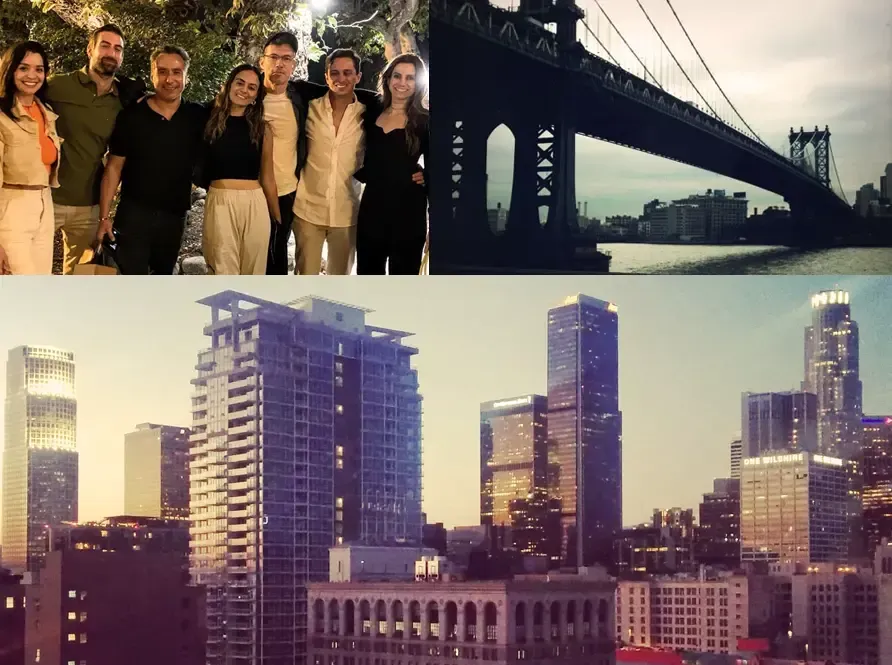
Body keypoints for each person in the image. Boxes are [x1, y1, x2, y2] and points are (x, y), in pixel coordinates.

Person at [97, 46, 209, 275]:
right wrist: (104, 217)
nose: (170, 79)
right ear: (152, 74)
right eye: (163, 71)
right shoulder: (131, 116)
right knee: (132, 282)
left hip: (174, 215)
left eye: (177, 72)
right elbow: (113, 168)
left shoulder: (197, 115)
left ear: (186, 76)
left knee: (163, 278)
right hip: (134, 215)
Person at [46, 23, 146, 274]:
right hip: (47, 199)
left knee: (79, 277)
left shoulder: (123, 101)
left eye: (118, 49)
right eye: (105, 45)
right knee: (31, 271)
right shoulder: (57, 86)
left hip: (89, 205)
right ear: (90, 49)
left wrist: (104, 214)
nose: (111, 53)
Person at [291, 48, 380, 275]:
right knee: (305, 279)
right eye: (335, 73)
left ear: (358, 77)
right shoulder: (309, 109)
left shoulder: (368, 113)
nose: (341, 78)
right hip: (307, 208)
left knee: (339, 283)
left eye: (348, 72)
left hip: (347, 210)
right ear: (326, 76)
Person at [199, 64, 281, 274]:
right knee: (222, 270)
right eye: (240, 83)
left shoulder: (263, 129)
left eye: (252, 87)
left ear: (256, 96)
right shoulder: (207, 119)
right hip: (220, 201)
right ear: (229, 84)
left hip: (255, 203)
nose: (244, 90)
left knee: (254, 271)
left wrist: (278, 219)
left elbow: (268, 177)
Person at [355, 53, 429, 275]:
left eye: (410, 78)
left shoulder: (425, 121)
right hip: (372, 207)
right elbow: (337, 90)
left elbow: (440, 168)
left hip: (408, 212)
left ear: (417, 84)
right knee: (368, 275)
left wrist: (427, 174)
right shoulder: (371, 109)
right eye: (397, 76)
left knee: (402, 282)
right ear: (387, 79)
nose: (402, 83)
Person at [0, 41, 62, 275]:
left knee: (39, 285)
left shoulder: (46, 112)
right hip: (11, 209)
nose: (32, 75)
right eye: (23, 68)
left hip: (45, 203)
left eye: (39, 69)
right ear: (10, 70)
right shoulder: (2, 116)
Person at [258, 32, 307, 275]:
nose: (280, 64)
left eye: (286, 58)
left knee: (277, 255)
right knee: (253, 255)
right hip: (252, 191)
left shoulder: (300, 97)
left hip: (287, 191)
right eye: (274, 57)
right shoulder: (248, 96)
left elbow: (346, 91)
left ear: (293, 65)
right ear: (262, 62)